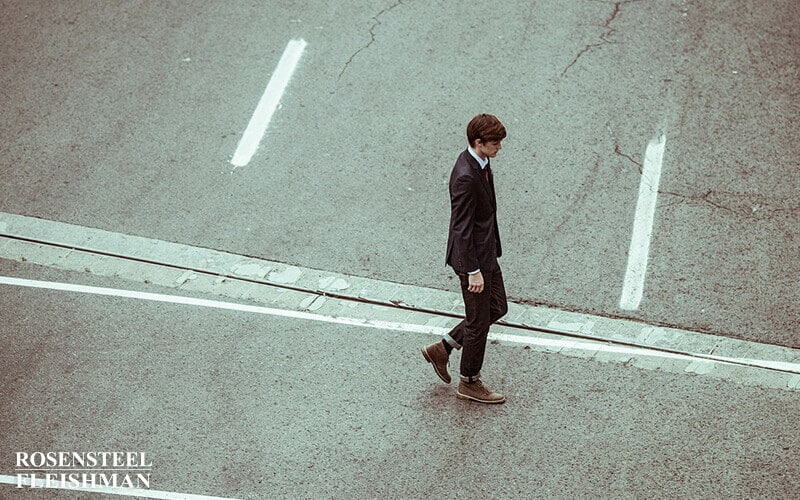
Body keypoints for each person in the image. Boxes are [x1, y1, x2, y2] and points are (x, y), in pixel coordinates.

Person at [421, 113, 509, 404]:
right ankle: (469, 382)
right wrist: (472, 270)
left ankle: (443, 348)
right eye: (495, 143)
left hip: (485, 253)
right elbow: (461, 227)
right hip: (473, 262)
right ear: (478, 142)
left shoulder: (481, 163)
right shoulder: (466, 176)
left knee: (496, 307)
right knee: (478, 323)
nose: (499, 148)